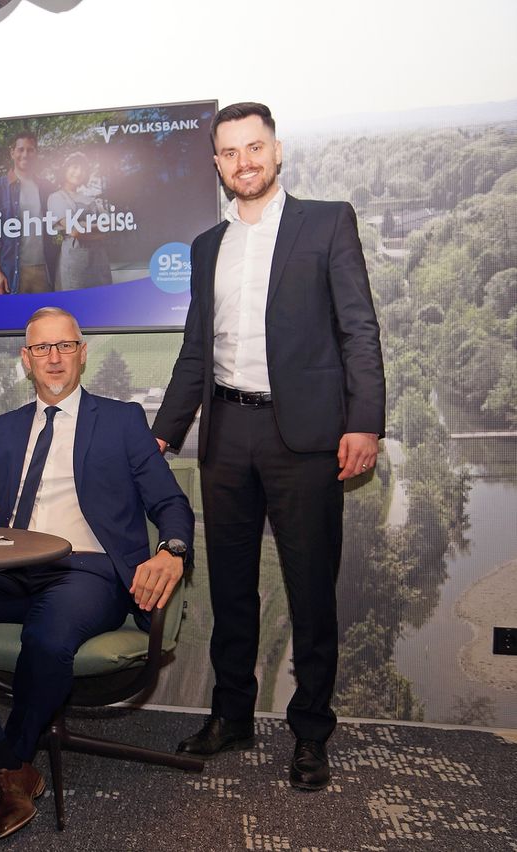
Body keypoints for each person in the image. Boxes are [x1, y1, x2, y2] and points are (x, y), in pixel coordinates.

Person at [0, 307, 194, 839]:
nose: (53, 358)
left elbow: (171, 503)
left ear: (82, 353)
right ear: (24, 360)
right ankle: (6, 763)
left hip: (89, 571)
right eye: (41, 349)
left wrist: (172, 549)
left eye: (64, 346)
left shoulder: (121, 420)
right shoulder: (6, 429)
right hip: (10, 567)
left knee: (49, 635)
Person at [152, 102, 385, 791]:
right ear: (217, 164)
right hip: (227, 435)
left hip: (307, 437)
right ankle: (231, 716)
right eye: (229, 152)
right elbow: (196, 352)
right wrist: (162, 433)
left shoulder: (328, 222)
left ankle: (311, 731)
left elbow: (359, 332)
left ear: (277, 152)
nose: (244, 162)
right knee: (230, 588)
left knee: (311, 592)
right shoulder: (205, 247)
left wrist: (364, 422)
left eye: (255, 148)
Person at [0, 131, 59, 294]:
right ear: (12, 153)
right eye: (20, 149)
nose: (25, 154)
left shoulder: (48, 188)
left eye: (30, 150)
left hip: (44, 271)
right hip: (11, 272)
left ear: (36, 153)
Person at [46, 151, 113, 289]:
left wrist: (84, 226)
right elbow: (75, 231)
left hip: (99, 265)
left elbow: (110, 225)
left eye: (83, 169)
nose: (79, 172)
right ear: (64, 169)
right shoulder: (56, 197)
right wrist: (98, 230)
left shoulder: (91, 199)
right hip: (74, 267)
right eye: (74, 167)